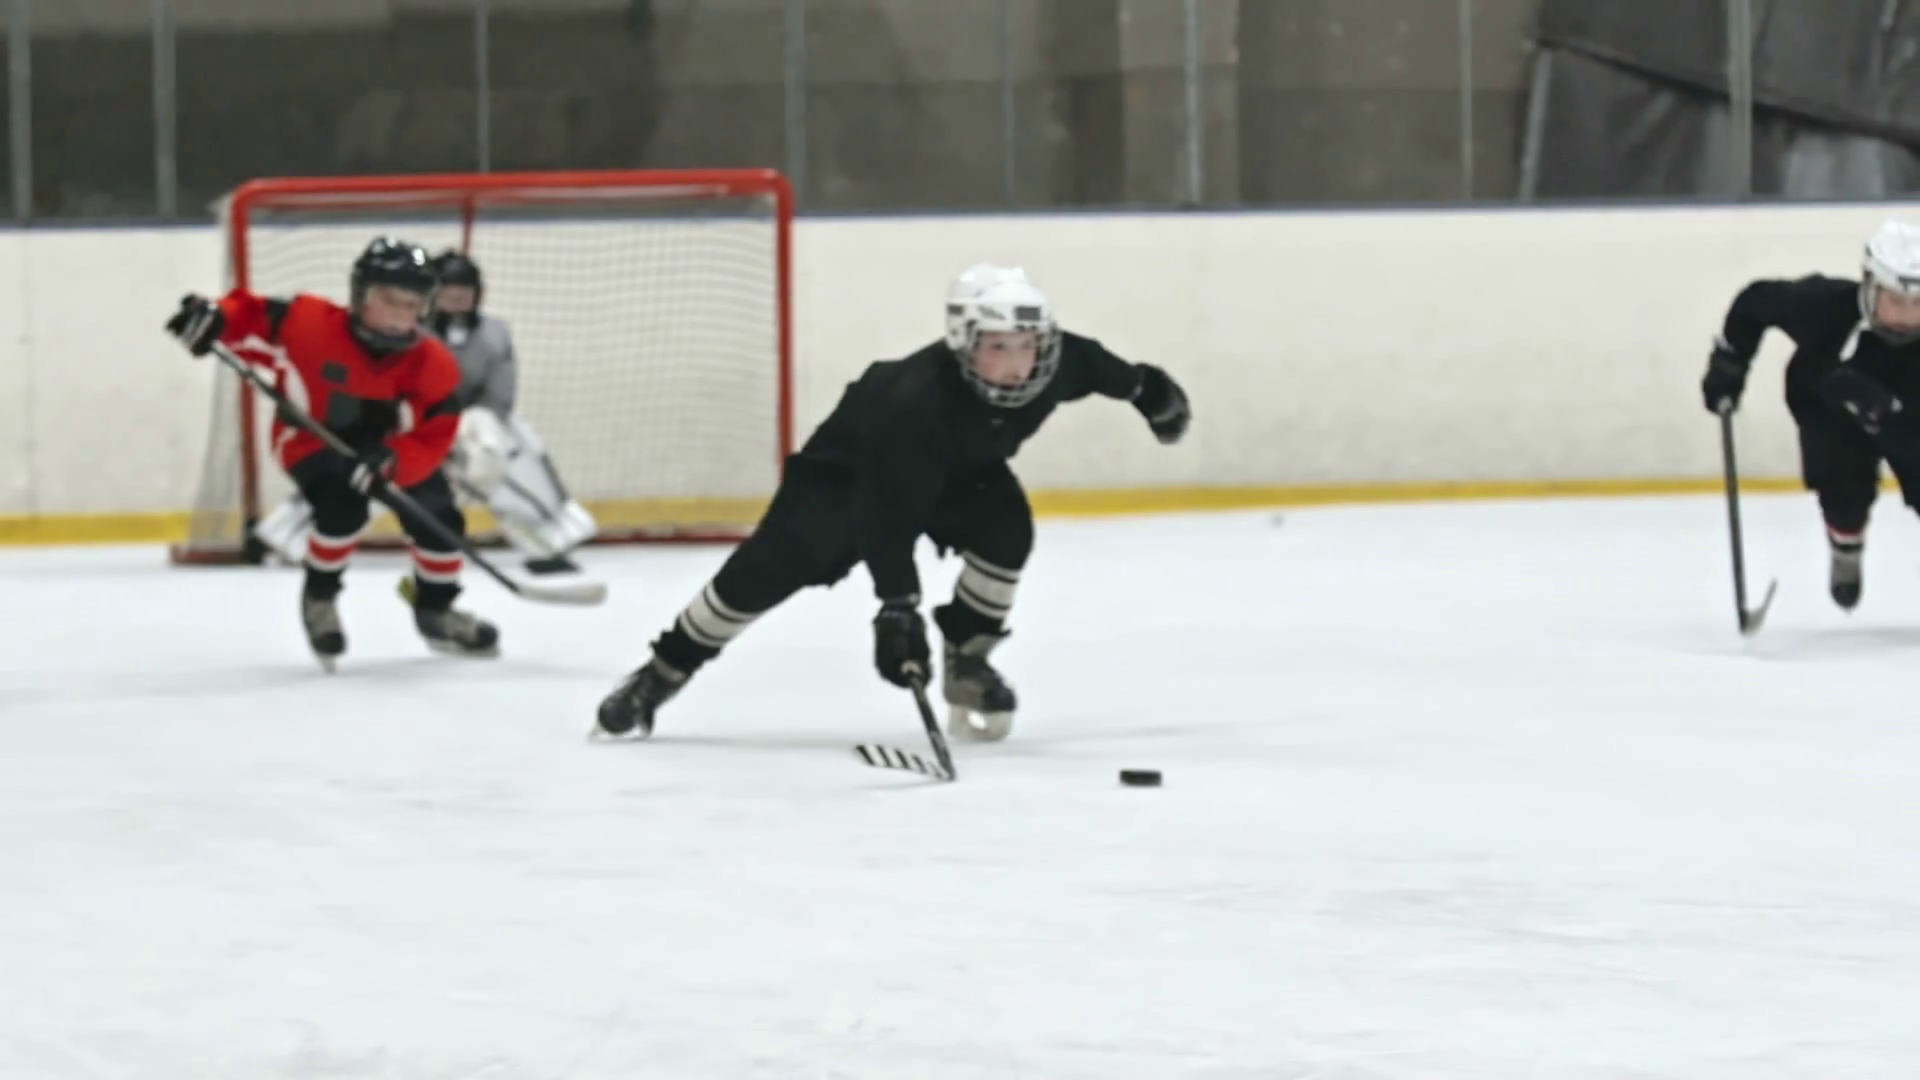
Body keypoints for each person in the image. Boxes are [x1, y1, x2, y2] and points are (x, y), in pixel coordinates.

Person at [594, 263, 1192, 742]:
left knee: (1008, 528)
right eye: (998, 347)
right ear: (963, 344)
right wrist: (898, 608)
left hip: (961, 476)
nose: (1018, 365)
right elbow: (886, 520)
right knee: (758, 576)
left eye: (1026, 345)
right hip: (843, 482)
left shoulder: (1061, 362)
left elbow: (1118, 376)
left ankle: (969, 662)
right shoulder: (911, 403)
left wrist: (1151, 394)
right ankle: (661, 672)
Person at [164, 237, 501, 668]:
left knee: (439, 517)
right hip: (310, 440)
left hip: (389, 451)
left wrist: (393, 460)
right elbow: (250, 317)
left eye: (412, 303)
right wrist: (214, 318)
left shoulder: (432, 362)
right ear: (360, 295)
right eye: (388, 300)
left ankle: (436, 611)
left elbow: (434, 435)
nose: (399, 314)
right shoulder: (309, 324)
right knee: (343, 505)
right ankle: (320, 596)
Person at [1702, 217, 1920, 610]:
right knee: (1842, 489)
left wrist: (1882, 411)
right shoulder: (1825, 306)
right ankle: (1846, 546)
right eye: (1895, 301)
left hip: (1909, 418)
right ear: (1869, 286)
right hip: (1828, 412)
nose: (1906, 316)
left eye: (1918, 304)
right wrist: (1729, 364)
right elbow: (1754, 302)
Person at [428, 249, 598, 573]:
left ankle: (550, 537)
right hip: (423, 427)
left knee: (520, 445)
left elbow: (500, 396)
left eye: (465, 287)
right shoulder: (413, 334)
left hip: (478, 422)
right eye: (449, 288)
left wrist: (471, 430)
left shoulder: (495, 333)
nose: (458, 295)